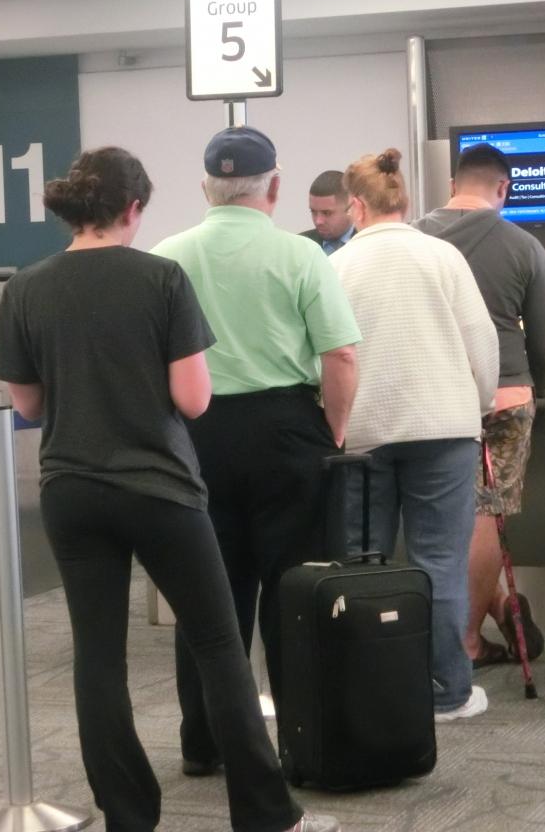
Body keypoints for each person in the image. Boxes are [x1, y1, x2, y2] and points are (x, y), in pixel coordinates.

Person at [0, 146, 338, 832]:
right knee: (218, 643)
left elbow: (26, 403)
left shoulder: (26, 287)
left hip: (70, 488)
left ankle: (128, 815)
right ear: (132, 208)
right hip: (160, 489)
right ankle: (266, 813)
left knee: (98, 657)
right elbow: (194, 398)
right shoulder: (161, 278)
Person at [152, 127, 361, 775]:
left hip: (197, 436)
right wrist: (332, 433)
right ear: (274, 188)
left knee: (208, 599)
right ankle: (302, 741)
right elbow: (341, 356)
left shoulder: (166, 258)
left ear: (205, 188)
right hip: (288, 433)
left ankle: (205, 743)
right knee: (294, 592)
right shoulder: (302, 256)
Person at [330, 148, 499, 722]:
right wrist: (475, 405)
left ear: (357, 206)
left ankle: (369, 689)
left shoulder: (337, 266)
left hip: (363, 435)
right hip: (445, 430)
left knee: (364, 565)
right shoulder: (443, 256)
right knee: (440, 564)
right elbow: (482, 343)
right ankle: (448, 692)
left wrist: (334, 422)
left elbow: (324, 356)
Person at [415, 143, 545, 669]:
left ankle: (493, 605)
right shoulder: (523, 245)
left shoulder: (412, 238)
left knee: (436, 516)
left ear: (454, 184)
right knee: (484, 514)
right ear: (503, 189)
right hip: (502, 396)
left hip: (428, 398)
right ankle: (467, 641)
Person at [300, 169, 355, 254]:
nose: (318, 221)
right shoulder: (301, 245)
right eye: (313, 212)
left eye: (327, 213)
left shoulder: (369, 243)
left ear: (350, 208)